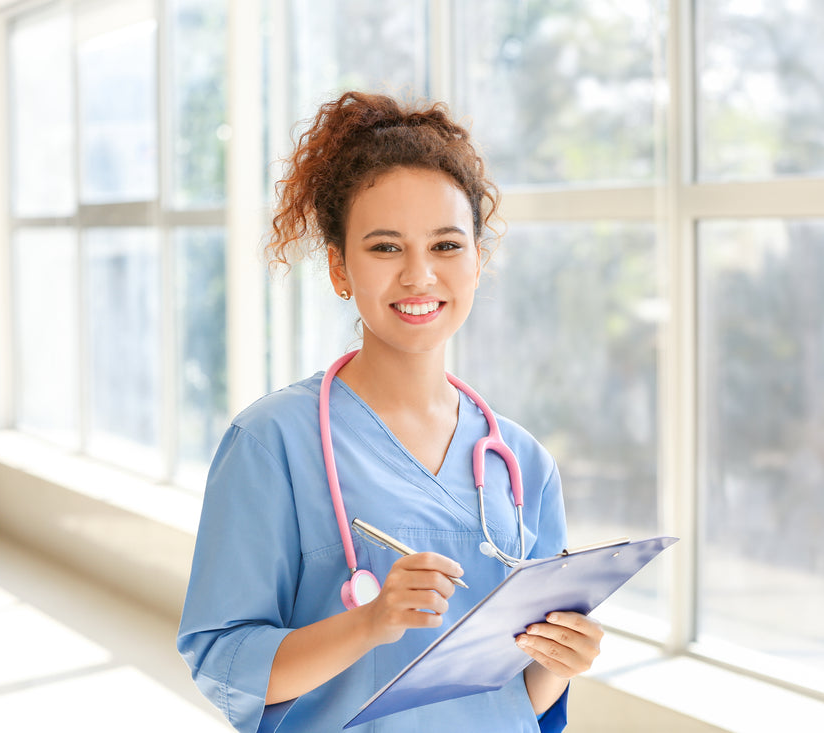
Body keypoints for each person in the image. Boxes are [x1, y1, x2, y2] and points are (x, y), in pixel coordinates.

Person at [176, 91, 603, 733]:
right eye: (384, 248)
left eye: (447, 246)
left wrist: (561, 662)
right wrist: (369, 625)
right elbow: (223, 662)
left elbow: (516, 702)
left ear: (478, 262)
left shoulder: (524, 465)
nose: (419, 275)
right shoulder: (272, 443)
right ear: (339, 267)